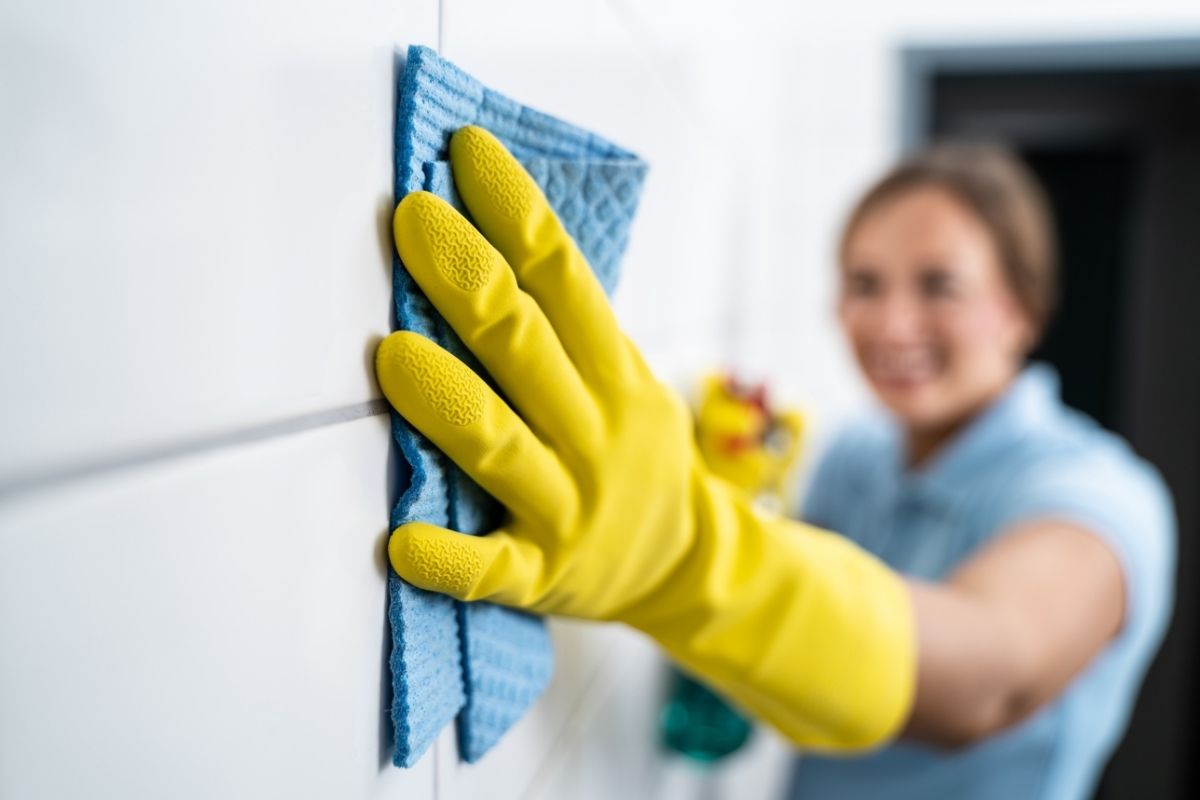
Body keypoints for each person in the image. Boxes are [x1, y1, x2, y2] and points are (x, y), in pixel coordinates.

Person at [374, 126, 1175, 799]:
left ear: (1020, 307)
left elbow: (993, 673)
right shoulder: (858, 458)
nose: (893, 323)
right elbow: (790, 628)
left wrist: (683, 553)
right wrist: (728, 486)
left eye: (939, 286)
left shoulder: (1100, 494)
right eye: (865, 283)